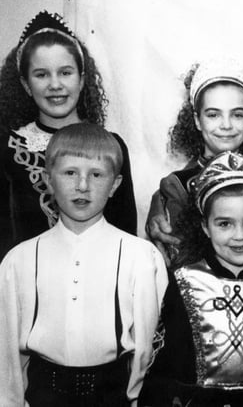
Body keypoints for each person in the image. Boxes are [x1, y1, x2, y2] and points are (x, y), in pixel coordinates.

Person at [0, 123, 167, 406]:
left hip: (111, 397)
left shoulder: (141, 256)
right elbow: (6, 356)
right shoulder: (19, 260)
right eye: (69, 173)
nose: (82, 186)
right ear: (49, 180)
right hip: (44, 397)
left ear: (114, 185)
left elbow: (146, 347)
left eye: (97, 174)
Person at [139, 151, 243, 407]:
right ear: (204, 226)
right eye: (224, 224)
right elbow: (163, 373)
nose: (239, 236)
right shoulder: (183, 282)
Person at [144, 58, 243, 282]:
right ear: (197, 120)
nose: (226, 125)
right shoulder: (178, 185)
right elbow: (185, 271)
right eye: (213, 114)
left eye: (237, 114)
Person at [0, 10, 137, 259]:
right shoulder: (7, 148)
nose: (55, 84)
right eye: (41, 74)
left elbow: (125, 233)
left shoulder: (111, 145)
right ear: (25, 84)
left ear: (82, 79)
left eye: (65, 72)